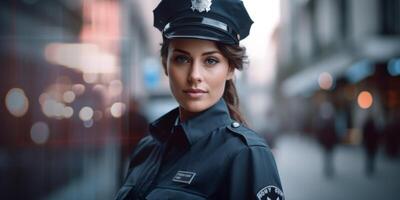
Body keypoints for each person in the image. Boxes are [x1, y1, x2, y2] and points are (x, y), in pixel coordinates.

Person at [115, 0, 284, 199]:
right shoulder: (147, 148)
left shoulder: (246, 155)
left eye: (210, 60)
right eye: (182, 59)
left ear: (230, 68)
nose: (195, 75)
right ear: (165, 64)